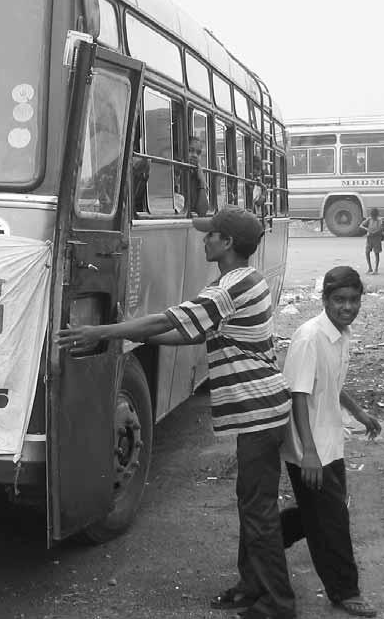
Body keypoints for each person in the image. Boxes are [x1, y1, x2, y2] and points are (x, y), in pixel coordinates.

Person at [56, 206, 295, 619]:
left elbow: (165, 320)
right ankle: (251, 586)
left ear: (228, 244)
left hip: (259, 412)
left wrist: (102, 332)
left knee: (258, 512)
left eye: (211, 235)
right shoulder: (245, 280)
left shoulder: (227, 290)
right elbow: (187, 333)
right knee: (251, 505)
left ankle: (277, 604)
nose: (203, 240)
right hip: (263, 410)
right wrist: (130, 340)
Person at [280, 266, 380, 618]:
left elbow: (333, 385)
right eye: (339, 300)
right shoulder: (310, 338)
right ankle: (344, 590)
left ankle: (264, 542)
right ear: (324, 300)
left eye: (353, 300)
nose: (347, 307)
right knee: (332, 519)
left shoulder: (342, 334)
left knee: (319, 515)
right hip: (310, 449)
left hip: (329, 442)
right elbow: (297, 396)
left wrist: (361, 415)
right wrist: (308, 452)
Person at [359, 208, 384, 274]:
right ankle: (370, 268)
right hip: (370, 238)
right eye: (372, 216)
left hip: (377, 239)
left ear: (377, 215)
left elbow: (382, 230)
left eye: (374, 216)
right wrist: (367, 229)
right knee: (367, 252)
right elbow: (361, 226)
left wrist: (376, 232)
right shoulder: (369, 219)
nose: (373, 217)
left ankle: (376, 269)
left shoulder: (381, 221)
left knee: (376, 253)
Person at [187, 135, 210, 216]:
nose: (195, 155)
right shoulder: (175, 174)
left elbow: (202, 212)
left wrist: (201, 182)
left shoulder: (197, 176)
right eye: (190, 150)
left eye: (198, 153)